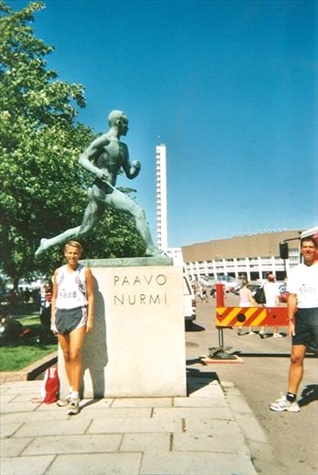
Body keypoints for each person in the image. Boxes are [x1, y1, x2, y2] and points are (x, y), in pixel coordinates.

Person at [35, 110, 162, 258]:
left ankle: (47, 243)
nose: (128, 128)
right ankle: (151, 249)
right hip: (101, 189)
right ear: (119, 123)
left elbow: (129, 174)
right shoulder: (104, 141)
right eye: (126, 124)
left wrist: (137, 168)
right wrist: (96, 171)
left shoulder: (124, 148)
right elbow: (82, 159)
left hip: (107, 190)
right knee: (138, 212)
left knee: (83, 230)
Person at [270, 237, 318, 412]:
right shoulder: (295, 271)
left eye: (311, 247)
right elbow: (292, 297)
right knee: (296, 358)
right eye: (304, 247)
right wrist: (290, 320)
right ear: (300, 249)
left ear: (316, 249)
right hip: (302, 316)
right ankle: (291, 399)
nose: (307, 250)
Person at [51, 240, 94, 415]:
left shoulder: (85, 271)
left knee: (75, 353)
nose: (72, 256)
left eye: (75, 253)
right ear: (65, 253)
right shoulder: (58, 272)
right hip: (61, 314)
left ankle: (76, 396)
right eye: (69, 253)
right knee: (66, 355)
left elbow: (91, 296)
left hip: (78, 313)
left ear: (80, 254)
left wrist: (90, 318)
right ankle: (70, 390)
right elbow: (54, 296)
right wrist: (53, 319)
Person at [260, 273, 281, 338]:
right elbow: (276, 297)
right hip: (273, 305)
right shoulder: (274, 286)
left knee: (267, 319)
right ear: (274, 279)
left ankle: (262, 330)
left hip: (267, 305)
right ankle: (275, 333)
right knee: (276, 320)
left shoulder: (265, 286)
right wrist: (278, 305)